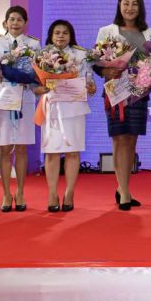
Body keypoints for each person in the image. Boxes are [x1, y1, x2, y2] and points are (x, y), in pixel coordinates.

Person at [95, 0, 151, 211]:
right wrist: (106, 72)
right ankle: (123, 191)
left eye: (134, 4)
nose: (130, 8)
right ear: (119, 6)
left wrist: (150, 75)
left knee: (131, 140)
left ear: (140, 8)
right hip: (116, 92)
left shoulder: (148, 32)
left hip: (138, 93)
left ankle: (124, 188)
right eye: (126, 3)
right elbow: (96, 62)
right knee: (119, 139)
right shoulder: (106, 31)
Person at [34, 19, 95, 213]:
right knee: (51, 152)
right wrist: (41, 89)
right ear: (51, 36)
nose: (61, 36)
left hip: (74, 108)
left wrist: (90, 88)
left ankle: (69, 193)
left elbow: (90, 83)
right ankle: (52, 193)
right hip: (51, 108)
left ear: (71, 35)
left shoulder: (81, 55)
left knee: (73, 152)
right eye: (57, 32)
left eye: (65, 33)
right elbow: (35, 86)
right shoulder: (41, 56)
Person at [0, 6, 41, 213]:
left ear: (25, 23)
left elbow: (38, 72)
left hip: (25, 99)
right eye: (12, 19)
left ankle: (20, 192)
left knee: (21, 148)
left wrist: (33, 80)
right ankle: (6, 193)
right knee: (4, 148)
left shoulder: (33, 44)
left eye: (19, 19)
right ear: (5, 23)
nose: (15, 23)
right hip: (3, 100)